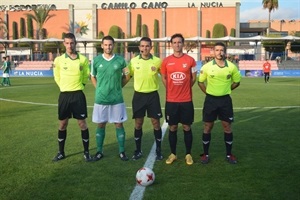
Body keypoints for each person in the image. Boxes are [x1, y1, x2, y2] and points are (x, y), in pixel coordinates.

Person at [198, 42, 241, 164]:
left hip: (225, 101)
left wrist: (227, 90)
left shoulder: (231, 67)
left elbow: (237, 82)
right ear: (213, 52)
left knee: (227, 127)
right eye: (217, 50)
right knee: (208, 127)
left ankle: (229, 154)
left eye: (221, 50)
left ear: (225, 52)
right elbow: (200, 82)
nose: (219, 52)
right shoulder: (206, 67)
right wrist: (207, 93)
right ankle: (205, 154)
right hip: (210, 100)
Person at [52, 32, 92, 162]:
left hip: (78, 95)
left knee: (82, 124)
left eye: (72, 43)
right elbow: (56, 76)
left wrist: (80, 85)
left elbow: (86, 75)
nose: (70, 45)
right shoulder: (58, 60)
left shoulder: (83, 59)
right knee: (63, 124)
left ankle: (86, 152)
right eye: (67, 43)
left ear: (75, 43)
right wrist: (63, 86)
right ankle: (61, 152)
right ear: (64, 44)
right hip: (64, 95)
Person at [90, 35, 130, 161]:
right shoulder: (96, 61)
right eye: (106, 45)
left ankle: (122, 151)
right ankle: (99, 151)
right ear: (102, 46)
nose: (108, 47)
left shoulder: (121, 60)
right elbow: (92, 76)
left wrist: (119, 87)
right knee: (101, 124)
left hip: (117, 99)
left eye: (110, 44)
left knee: (119, 124)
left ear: (113, 45)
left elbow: (127, 76)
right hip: (101, 99)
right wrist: (99, 89)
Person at [161, 33, 197, 165]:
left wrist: (185, 88)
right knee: (173, 127)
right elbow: (164, 78)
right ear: (171, 44)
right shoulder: (166, 61)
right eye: (175, 42)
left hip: (186, 100)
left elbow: (194, 78)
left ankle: (188, 154)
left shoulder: (190, 60)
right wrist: (170, 88)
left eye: (179, 42)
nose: (177, 44)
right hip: (171, 101)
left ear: (183, 44)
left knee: (187, 127)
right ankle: (173, 154)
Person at [128, 37, 163, 161]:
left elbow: (164, 75)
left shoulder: (158, 61)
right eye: (142, 46)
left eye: (147, 46)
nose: (144, 48)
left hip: (153, 96)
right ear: (139, 47)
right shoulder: (133, 61)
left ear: (151, 47)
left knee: (156, 123)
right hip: (138, 96)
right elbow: (128, 76)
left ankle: (158, 150)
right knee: (138, 123)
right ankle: (138, 150)